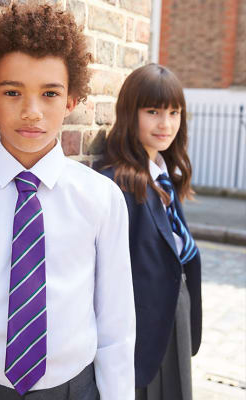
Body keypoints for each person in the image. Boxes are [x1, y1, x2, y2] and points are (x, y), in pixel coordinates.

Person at [0, 4, 135, 400]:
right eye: (13, 92)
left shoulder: (102, 199)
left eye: (50, 93)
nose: (32, 111)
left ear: (71, 100)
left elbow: (116, 325)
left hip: (74, 391)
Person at [101, 63, 202, 400]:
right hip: (141, 329)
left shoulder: (164, 177)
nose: (166, 123)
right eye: (153, 111)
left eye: (174, 112)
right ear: (131, 113)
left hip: (175, 314)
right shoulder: (118, 182)